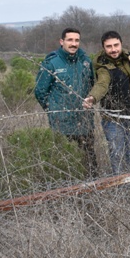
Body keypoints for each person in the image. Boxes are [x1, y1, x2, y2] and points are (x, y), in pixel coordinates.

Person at [34, 27, 96, 176]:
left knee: (89, 163)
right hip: (62, 125)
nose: (74, 44)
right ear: (62, 41)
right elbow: (40, 91)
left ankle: (93, 191)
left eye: (76, 40)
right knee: (66, 164)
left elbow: (92, 84)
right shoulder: (51, 63)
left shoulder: (86, 61)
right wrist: (53, 109)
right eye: (70, 40)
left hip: (85, 122)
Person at [84, 31, 130, 175]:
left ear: (121, 44)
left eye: (116, 45)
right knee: (117, 155)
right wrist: (92, 98)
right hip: (113, 120)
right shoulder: (103, 67)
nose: (113, 49)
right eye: (109, 46)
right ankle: (120, 190)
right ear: (103, 48)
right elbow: (102, 85)